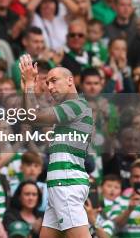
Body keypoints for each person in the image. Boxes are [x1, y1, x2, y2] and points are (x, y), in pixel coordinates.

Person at [19, 54, 94, 237]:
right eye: (47, 83)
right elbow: (29, 117)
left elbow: (33, 116)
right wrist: (26, 91)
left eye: (54, 81)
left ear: (70, 80)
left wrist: (30, 85)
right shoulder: (71, 110)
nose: (50, 87)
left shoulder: (76, 105)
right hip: (58, 186)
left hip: (66, 184)